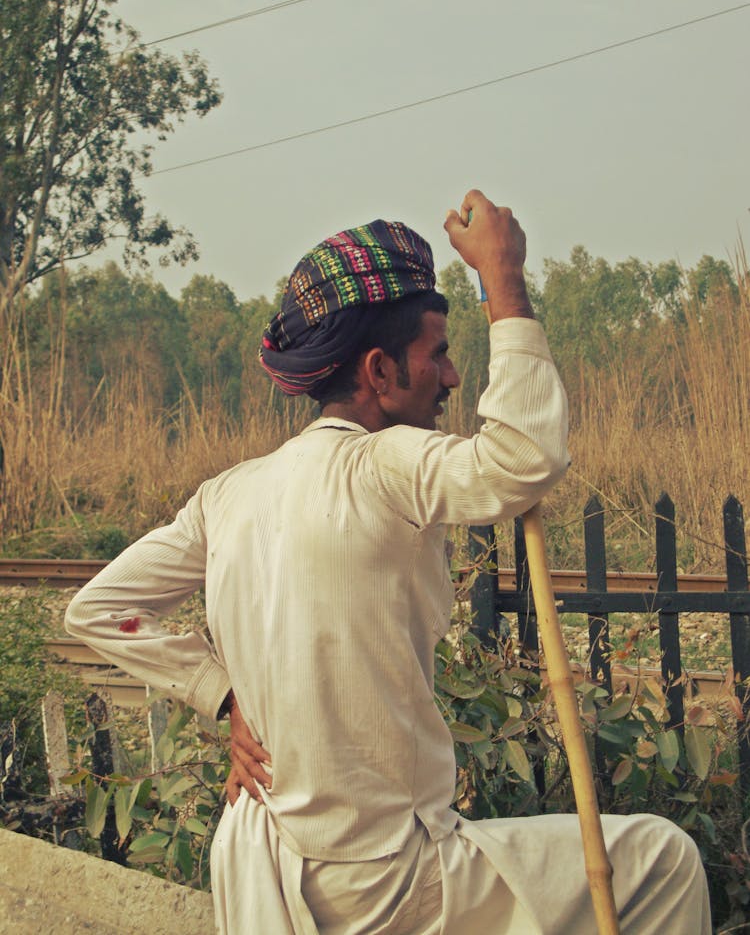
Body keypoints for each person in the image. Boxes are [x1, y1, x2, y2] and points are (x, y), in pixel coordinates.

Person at [65, 190, 710, 934]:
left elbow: (99, 609)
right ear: (378, 371)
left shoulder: (228, 495)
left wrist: (221, 694)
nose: (452, 378)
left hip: (262, 866)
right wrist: (503, 282)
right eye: (436, 354)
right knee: (661, 859)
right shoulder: (382, 465)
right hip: (386, 881)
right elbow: (524, 458)